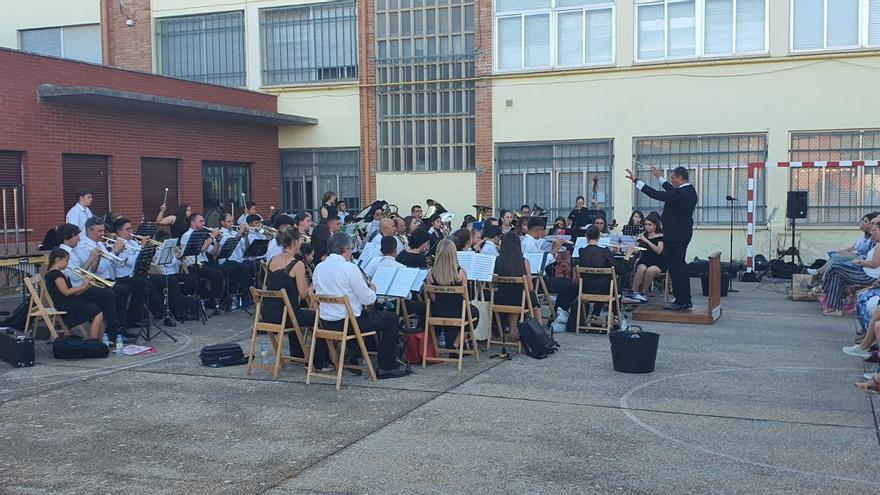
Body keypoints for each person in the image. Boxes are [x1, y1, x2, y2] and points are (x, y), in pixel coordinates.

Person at [313, 233, 408, 379]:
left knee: (358, 313)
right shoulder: (349, 268)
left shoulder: (319, 267)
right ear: (345, 250)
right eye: (350, 249)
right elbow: (368, 300)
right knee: (391, 318)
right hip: (350, 323)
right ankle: (385, 366)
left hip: (326, 322)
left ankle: (355, 356)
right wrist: (372, 289)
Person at [627, 165, 698, 311]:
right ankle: (684, 299)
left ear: (679, 178)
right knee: (680, 268)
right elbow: (670, 190)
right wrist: (658, 176)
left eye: (672, 178)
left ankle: (682, 300)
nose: (671, 181)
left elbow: (656, 194)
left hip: (675, 237)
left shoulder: (680, 194)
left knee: (676, 269)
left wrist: (637, 181)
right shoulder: (689, 191)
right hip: (681, 235)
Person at [262, 228, 327, 368]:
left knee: (294, 310)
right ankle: (319, 362)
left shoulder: (272, 260)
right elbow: (303, 294)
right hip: (286, 317)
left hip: (268, 314)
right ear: (296, 242)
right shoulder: (297, 264)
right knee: (322, 318)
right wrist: (313, 285)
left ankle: (297, 355)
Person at [56, 223, 125, 340]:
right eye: (76, 236)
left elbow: (90, 269)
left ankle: (116, 330)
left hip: (84, 286)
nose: (79, 238)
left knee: (115, 291)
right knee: (107, 295)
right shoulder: (63, 254)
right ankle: (113, 334)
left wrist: (95, 258)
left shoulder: (75, 249)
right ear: (67, 238)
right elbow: (76, 276)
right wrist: (91, 258)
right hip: (77, 290)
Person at [77, 217, 132, 330]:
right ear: (90, 230)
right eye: (99, 231)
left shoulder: (100, 243)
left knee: (124, 288)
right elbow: (98, 269)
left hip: (107, 279)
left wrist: (117, 253)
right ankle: (115, 329)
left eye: (103, 231)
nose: (102, 234)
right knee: (119, 290)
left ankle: (121, 326)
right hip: (96, 281)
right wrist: (115, 252)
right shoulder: (84, 246)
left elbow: (110, 264)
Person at [111, 217, 168, 326]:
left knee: (165, 280)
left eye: (131, 228)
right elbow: (133, 262)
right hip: (124, 277)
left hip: (136, 275)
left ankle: (143, 316)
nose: (131, 231)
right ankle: (163, 312)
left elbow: (145, 258)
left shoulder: (132, 242)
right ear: (119, 232)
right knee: (145, 284)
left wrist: (149, 248)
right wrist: (142, 247)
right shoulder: (118, 244)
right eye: (127, 229)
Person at [520, 216, 577, 322]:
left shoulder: (527, 241)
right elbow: (541, 263)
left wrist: (552, 250)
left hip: (537, 278)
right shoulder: (529, 245)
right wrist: (555, 250)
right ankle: (556, 316)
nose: (543, 233)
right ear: (537, 230)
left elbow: (543, 256)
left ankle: (556, 313)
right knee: (573, 287)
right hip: (536, 280)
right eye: (542, 230)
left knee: (566, 282)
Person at [426, 240, 480, 349]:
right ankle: (457, 342)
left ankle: (455, 341)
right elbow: (465, 297)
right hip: (458, 311)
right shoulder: (460, 273)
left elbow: (433, 297)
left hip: (438, 312)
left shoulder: (431, 273)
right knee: (474, 313)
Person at [820, 222, 880, 316]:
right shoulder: (876, 244)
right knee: (837, 276)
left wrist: (860, 262)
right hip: (864, 271)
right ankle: (835, 308)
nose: (872, 232)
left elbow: (874, 264)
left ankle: (823, 289)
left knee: (835, 267)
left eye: (875, 230)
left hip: (868, 276)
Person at [45, 248, 105, 339]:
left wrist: (85, 287)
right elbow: (66, 292)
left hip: (68, 301)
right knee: (97, 313)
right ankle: (95, 341)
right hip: (65, 303)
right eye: (66, 261)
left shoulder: (57, 273)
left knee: (97, 310)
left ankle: (100, 341)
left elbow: (70, 291)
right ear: (57, 260)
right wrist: (83, 286)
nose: (67, 263)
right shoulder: (56, 274)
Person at [569, 225, 618, 331]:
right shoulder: (605, 251)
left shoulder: (581, 251)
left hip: (586, 289)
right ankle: (616, 318)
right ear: (599, 237)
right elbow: (619, 270)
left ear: (586, 237)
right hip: (604, 290)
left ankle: (595, 316)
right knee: (614, 284)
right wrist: (627, 256)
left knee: (600, 282)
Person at [494, 232, 543, 337]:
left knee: (514, 294)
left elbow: (494, 283)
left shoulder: (498, 261)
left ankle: (513, 330)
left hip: (500, 299)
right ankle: (540, 333)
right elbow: (530, 287)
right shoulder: (524, 262)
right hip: (519, 299)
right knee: (531, 297)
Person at [807, 212, 878, 277]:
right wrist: (844, 251)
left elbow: (868, 256)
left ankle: (819, 272)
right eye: (863, 221)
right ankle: (821, 273)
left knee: (836, 259)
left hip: (860, 258)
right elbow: (853, 247)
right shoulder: (864, 236)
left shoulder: (873, 238)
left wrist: (851, 254)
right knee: (832, 254)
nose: (862, 223)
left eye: (866, 222)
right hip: (857, 255)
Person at [180, 214, 225, 314]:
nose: (203, 223)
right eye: (200, 221)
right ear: (193, 222)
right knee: (217, 274)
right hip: (193, 265)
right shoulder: (187, 235)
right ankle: (212, 301)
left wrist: (217, 241)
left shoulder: (201, 234)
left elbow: (213, 252)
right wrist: (210, 238)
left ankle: (217, 300)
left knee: (223, 270)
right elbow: (200, 250)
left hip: (203, 263)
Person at [629, 212, 665, 303]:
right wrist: (635, 247)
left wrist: (647, 241)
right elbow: (635, 247)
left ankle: (642, 292)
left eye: (650, 225)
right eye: (646, 224)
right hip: (644, 259)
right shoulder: (643, 235)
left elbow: (659, 251)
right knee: (641, 269)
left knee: (650, 271)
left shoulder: (661, 236)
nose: (647, 227)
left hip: (658, 261)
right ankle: (634, 292)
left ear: (655, 225)